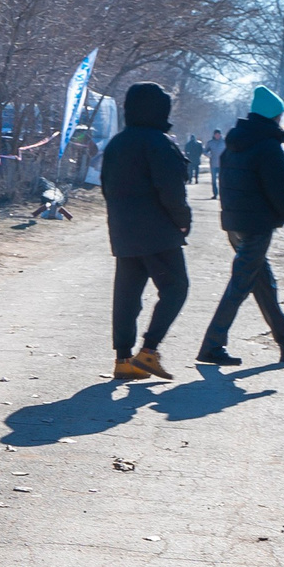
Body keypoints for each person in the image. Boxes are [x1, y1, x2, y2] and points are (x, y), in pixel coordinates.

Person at [197, 87, 284, 366]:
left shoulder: (234, 142)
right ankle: (212, 346)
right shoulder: (268, 146)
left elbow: (225, 184)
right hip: (256, 225)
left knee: (264, 285)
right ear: (275, 117)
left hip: (235, 224)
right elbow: (278, 191)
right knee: (240, 285)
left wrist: (229, 216)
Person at [98, 82, 193, 380]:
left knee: (127, 295)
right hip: (158, 232)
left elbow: (106, 187)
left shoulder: (116, 143)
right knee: (176, 288)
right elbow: (172, 190)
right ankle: (149, 351)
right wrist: (183, 220)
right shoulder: (159, 142)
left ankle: (123, 359)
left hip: (123, 230)